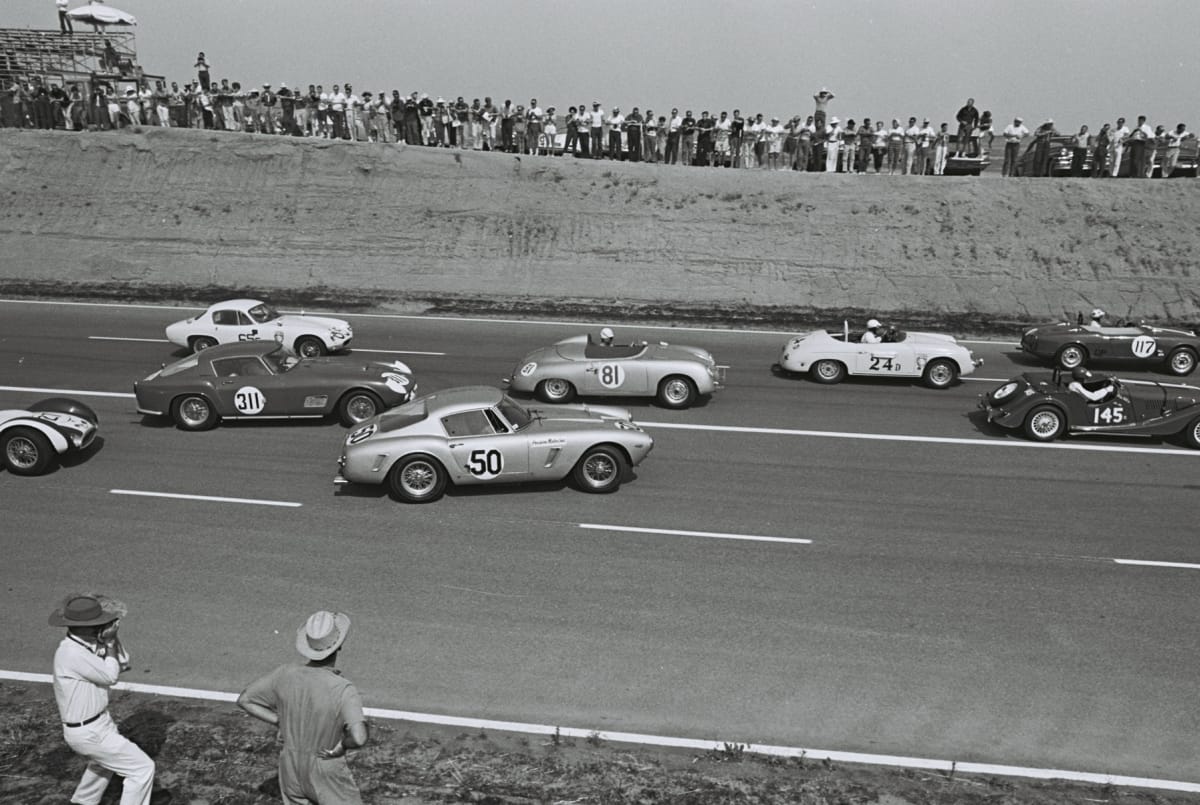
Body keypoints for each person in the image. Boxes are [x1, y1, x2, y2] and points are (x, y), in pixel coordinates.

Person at [239, 611, 368, 805]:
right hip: (325, 766)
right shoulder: (343, 689)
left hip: (290, 767)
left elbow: (245, 699)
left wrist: (280, 721)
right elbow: (359, 737)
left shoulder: (284, 674)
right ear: (339, 645)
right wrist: (342, 746)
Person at [50, 593, 157, 805]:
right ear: (89, 627)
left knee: (103, 763)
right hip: (88, 731)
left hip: (99, 723)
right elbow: (110, 676)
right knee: (142, 769)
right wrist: (108, 643)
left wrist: (112, 639)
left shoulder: (88, 644)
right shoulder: (71, 654)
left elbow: (123, 662)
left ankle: (83, 801)